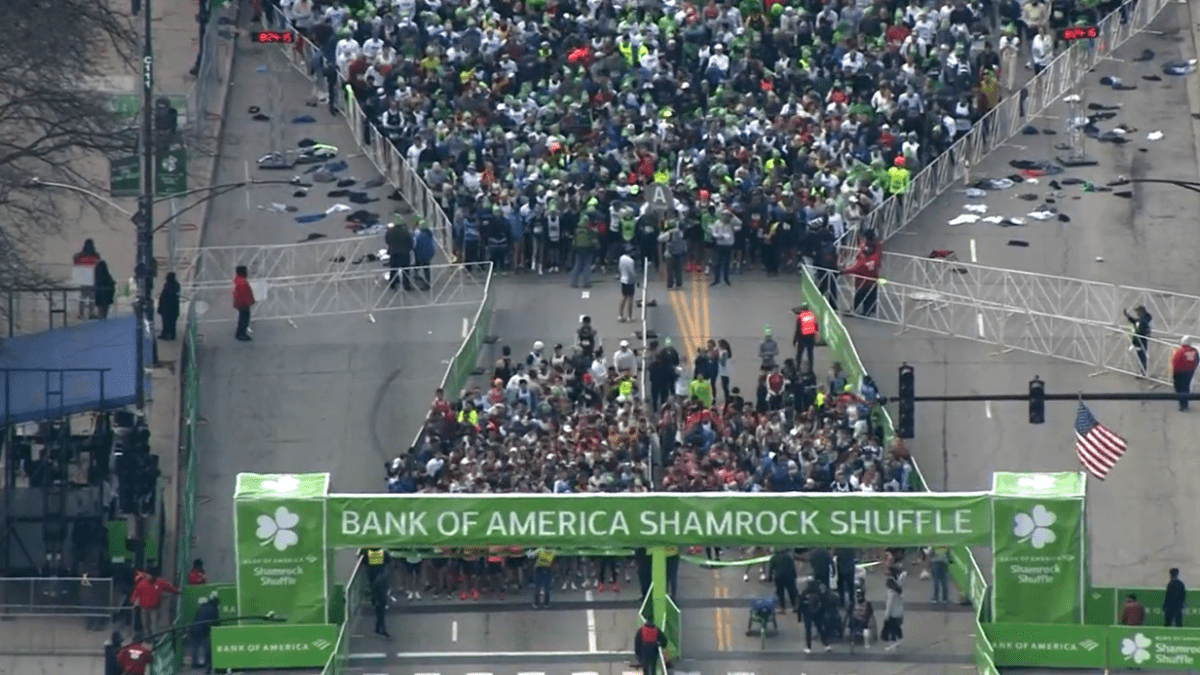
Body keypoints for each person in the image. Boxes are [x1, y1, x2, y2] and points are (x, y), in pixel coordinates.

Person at [129, 570, 178, 636]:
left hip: (154, 608)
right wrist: (132, 600)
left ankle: (154, 637)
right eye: (147, 575)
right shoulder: (142, 583)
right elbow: (136, 593)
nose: (148, 577)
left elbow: (169, 587)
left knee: (153, 623)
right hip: (144, 608)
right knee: (145, 624)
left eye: (150, 575)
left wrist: (176, 591)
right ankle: (147, 636)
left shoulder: (160, 582)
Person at [843, 236, 883, 317]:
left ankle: (854, 311)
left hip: (861, 283)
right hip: (873, 280)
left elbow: (853, 269)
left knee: (859, 297)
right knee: (871, 297)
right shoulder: (876, 257)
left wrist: (843, 271)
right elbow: (878, 249)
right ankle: (869, 310)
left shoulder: (862, 263)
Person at [798, 579, 831, 654]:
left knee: (808, 630)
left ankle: (808, 647)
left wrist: (799, 616)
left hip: (807, 613)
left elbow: (800, 604)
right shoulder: (819, 592)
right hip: (818, 613)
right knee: (820, 629)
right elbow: (825, 603)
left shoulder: (805, 592)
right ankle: (827, 645)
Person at [190, 594, 219, 672]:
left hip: (194, 628)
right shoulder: (213, 609)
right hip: (202, 629)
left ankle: (195, 663)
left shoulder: (203, 607)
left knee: (195, 645)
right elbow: (215, 621)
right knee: (205, 645)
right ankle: (206, 662)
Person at [74, 239, 101, 319]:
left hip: (82, 278)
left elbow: (76, 263)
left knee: (82, 297)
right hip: (92, 278)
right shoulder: (95, 256)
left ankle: (81, 313)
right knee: (92, 297)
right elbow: (98, 266)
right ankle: (91, 313)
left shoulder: (79, 256)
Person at [1171, 336, 1198, 411]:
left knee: (1179, 388)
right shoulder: (1193, 351)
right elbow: (1197, 360)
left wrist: (1174, 373)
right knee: (1186, 388)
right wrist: (1192, 369)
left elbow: (1175, 362)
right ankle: (1185, 404)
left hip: (1179, 373)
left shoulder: (1180, 351)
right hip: (1189, 372)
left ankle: (1182, 405)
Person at [1124, 305, 1152, 376]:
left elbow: (1144, 330)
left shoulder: (1144, 321)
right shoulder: (1141, 319)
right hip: (1138, 341)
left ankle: (1143, 372)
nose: (1137, 313)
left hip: (1141, 342)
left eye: (1138, 312)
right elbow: (1134, 321)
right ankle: (1142, 371)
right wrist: (1127, 316)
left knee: (1142, 357)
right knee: (1140, 357)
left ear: (1141, 312)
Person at [385, 220, 414, 291]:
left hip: (394, 253)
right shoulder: (406, 232)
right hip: (404, 253)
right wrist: (409, 249)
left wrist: (391, 247)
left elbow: (387, 240)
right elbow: (410, 241)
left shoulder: (390, 232)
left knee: (394, 269)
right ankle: (406, 285)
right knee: (406, 270)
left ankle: (392, 284)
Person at [659, 221, 686, 290]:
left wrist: (662, 232)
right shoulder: (680, 233)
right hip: (679, 254)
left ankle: (670, 285)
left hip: (669, 254)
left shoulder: (668, 234)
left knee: (670, 271)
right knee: (678, 270)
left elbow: (659, 239)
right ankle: (679, 284)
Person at [770, 548, 798, 613]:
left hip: (779, 577)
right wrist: (795, 575)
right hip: (789, 576)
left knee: (780, 593)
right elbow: (792, 567)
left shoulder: (774, 558)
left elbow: (771, 568)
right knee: (791, 592)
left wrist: (769, 577)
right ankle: (794, 606)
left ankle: (782, 608)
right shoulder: (788, 557)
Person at [231, 265, 255, 341]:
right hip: (243, 304)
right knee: (244, 320)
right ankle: (241, 334)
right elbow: (245, 294)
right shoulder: (242, 282)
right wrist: (249, 302)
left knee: (242, 319)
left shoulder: (238, 280)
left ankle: (240, 333)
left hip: (241, 304)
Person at [793, 304, 819, 371]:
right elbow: (816, 327)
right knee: (810, 353)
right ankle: (811, 368)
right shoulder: (812, 316)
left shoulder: (800, 317)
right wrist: (815, 338)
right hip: (811, 337)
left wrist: (795, 340)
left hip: (802, 337)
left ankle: (798, 367)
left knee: (799, 353)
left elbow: (798, 329)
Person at [881, 577, 905, 650]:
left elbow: (889, 605)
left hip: (893, 614)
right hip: (899, 613)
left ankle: (893, 643)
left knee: (892, 629)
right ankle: (899, 640)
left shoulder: (891, 593)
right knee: (897, 627)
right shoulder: (898, 591)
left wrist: (887, 615)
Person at [157, 272, 181, 340]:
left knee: (165, 322)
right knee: (172, 322)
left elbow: (163, 296)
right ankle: (172, 335)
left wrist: (160, 306)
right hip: (174, 307)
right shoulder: (177, 285)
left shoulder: (167, 285)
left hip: (166, 307)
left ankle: (165, 334)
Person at [412, 220, 435, 290]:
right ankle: (417, 275)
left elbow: (415, 244)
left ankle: (427, 283)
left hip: (422, 253)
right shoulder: (429, 233)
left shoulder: (420, 235)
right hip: (430, 252)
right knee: (425, 266)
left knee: (425, 267)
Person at [618, 246, 637, 323]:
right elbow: (632, 272)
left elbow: (619, 268)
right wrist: (635, 280)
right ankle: (629, 317)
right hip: (629, 281)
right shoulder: (631, 261)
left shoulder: (621, 258)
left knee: (624, 297)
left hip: (623, 279)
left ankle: (620, 315)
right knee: (630, 299)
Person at [371, 569, 390, 638]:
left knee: (380, 615)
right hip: (380, 600)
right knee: (381, 615)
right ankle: (383, 630)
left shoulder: (378, 581)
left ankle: (377, 629)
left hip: (380, 600)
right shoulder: (380, 582)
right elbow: (377, 592)